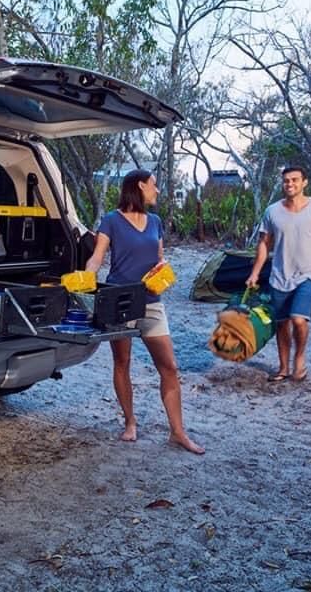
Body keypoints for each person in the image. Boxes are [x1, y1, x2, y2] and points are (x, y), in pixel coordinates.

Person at [85, 169, 204, 455]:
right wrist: (85, 282)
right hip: (120, 299)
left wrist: (162, 271)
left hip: (151, 299)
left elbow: (160, 258)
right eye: (154, 185)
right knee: (122, 362)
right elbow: (98, 257)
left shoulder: (156, 222)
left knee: (170, 367)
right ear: (140, 186)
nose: (158, 190)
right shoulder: (111, 221)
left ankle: (178, 432)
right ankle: (130, 422)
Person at [245, 165, 311, 383]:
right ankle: (283, 367)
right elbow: (264, 244)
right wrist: (254, 273)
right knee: (282, 323)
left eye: (295, 180)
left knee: (298, 319)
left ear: (304, 182)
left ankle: (300, 358)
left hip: (308, 274)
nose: (290, 184)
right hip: (279, 275)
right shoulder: (273, 212)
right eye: (286, 181)